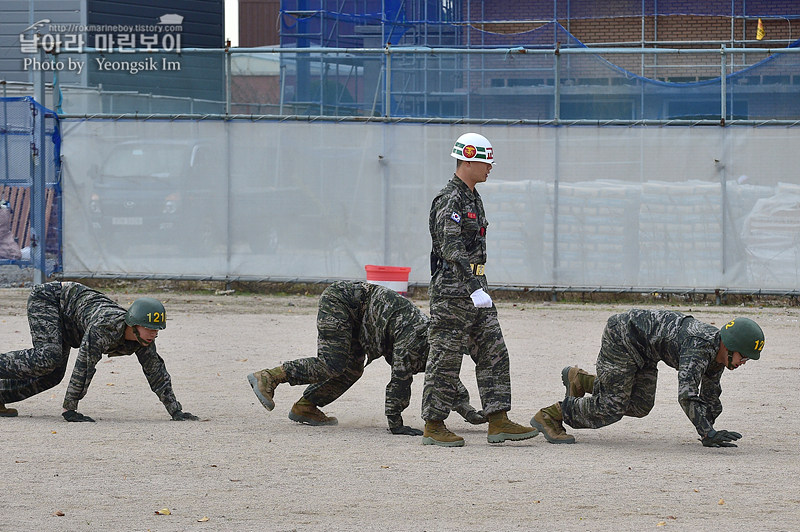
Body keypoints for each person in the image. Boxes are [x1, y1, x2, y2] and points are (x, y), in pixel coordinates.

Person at [247, 280, 485, 435]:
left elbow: (446, 379)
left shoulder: (438, 347)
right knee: (332, 362)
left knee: (351, 369)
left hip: (364, 322)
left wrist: (469, 412)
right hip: (344, 301)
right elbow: (399, 380)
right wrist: (396, 424)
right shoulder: (414, 338)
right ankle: (269, 377)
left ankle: (306, 406)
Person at [422, 132, 538, 447]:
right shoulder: (450, 199)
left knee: (494, 350)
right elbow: (451, 248)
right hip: (453, 293)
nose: (490, 167)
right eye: (486, 161)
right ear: (469, 160)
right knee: (445, 358)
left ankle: (497, 420)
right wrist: (474, 287)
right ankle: (434, 425)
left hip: (476, 291)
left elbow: (472, 253)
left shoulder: (473, 197)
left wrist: (480, 286)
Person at [531, 310, 764, 447]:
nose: (743, 363)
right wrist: (706, 433)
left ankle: (582, 381)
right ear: (730, 346)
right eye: (743, 357)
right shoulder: (700, 347)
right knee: (612, 407)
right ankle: (551, 414)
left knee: (641, 405)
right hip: (623, 337)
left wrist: (711, 430)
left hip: (645, 351)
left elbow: (710, 395)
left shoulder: (718, 353)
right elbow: (687, 395)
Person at [0, 281, 198, 422]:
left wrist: (175, 411)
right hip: (50, 299)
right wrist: (70, 409)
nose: (154, 333)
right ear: (134, 324)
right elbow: (84, 365)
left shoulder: (143, 338)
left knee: (52, 376)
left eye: (156, 329)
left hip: (70, 321)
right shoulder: (105, 327)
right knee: (48, 357)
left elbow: (156, 372)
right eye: (149, 328)